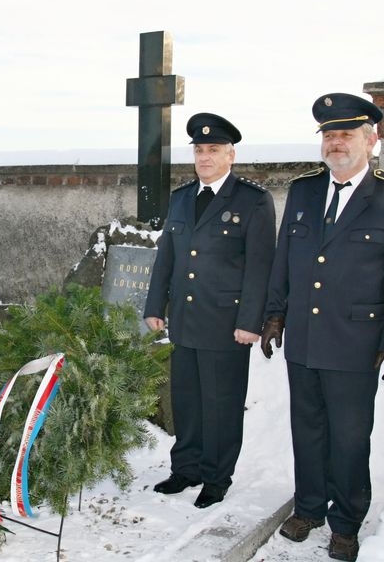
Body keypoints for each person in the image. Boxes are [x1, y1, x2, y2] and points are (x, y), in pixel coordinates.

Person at [260, 93, 384, 562]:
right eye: (329, 135)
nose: (336, 143)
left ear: (371, 140)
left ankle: (347, 519)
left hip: (356, 343)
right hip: (305, 340)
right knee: (307, 428)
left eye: (346, 134)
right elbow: (284, 261)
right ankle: (310, 506)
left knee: (350, 436)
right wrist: (275, 314)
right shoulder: (304, 191)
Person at [143, 113, 276, 509]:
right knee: (187, 401)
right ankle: (186, 469)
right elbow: (167, 255)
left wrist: (250, 321)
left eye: (213, 149)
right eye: (199, 150)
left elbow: (260, 266)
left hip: (226, 323)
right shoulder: (182, 198)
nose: (204, 156)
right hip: (185, 319)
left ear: (230, 154)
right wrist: (155, 305)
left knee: (221, 404)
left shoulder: (253, 201)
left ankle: (217, 477)